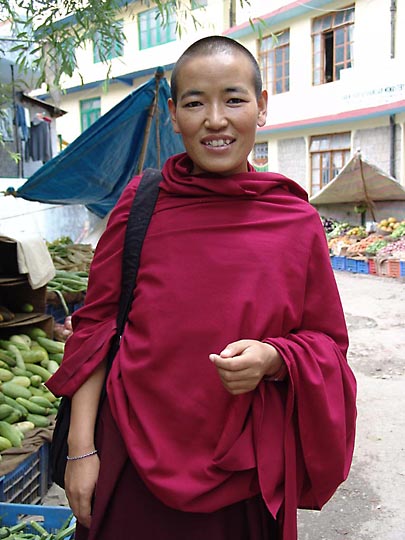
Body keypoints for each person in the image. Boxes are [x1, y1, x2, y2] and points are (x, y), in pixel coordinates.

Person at [46, 35, 357, 540]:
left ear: (261, 107)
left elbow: (326, 345)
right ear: (173, 114)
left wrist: (273, 359)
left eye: (233, 99)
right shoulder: (140, 205)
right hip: (131, 456)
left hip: (245, 468)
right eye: (195, 102)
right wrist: (82, 450)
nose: (215, 119)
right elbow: (95, 332)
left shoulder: (295, 221)